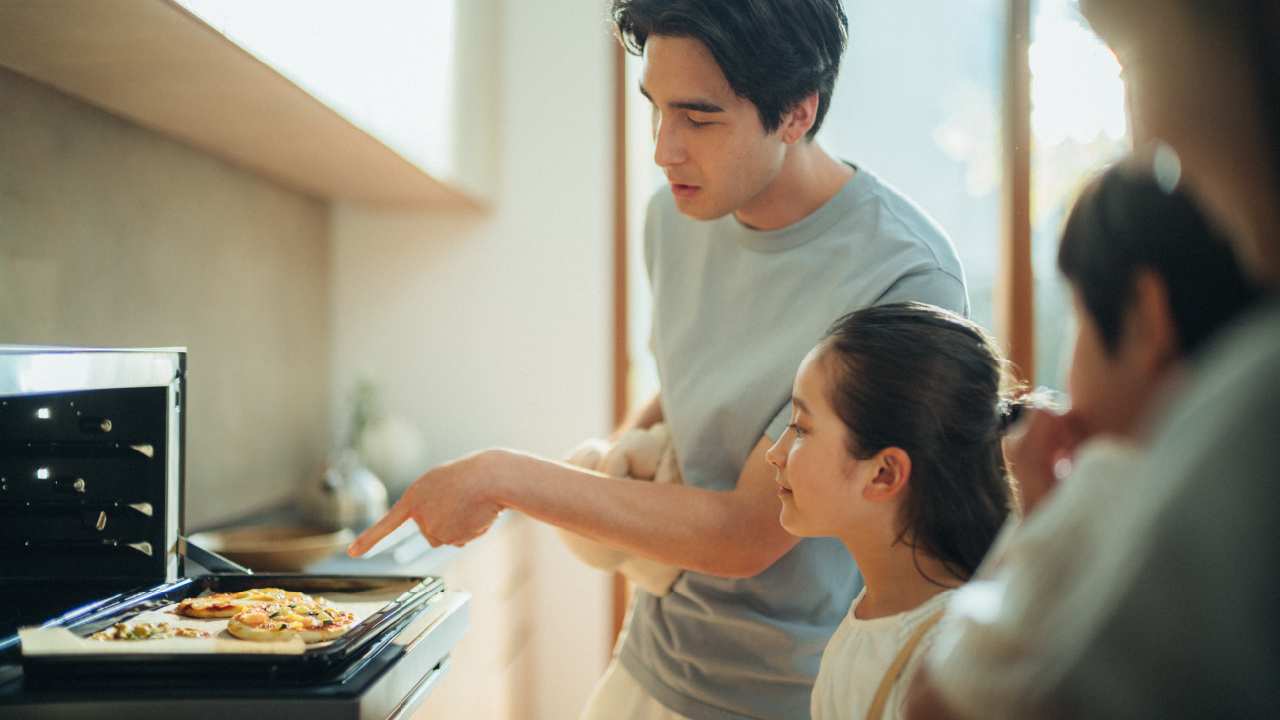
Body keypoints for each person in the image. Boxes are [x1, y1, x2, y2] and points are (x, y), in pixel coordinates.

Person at [349, 0, 969, 718]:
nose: (663, 150)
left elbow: (743, 534)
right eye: (656, 108)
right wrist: (618, 452)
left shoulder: (905, 275)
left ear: (798, 112)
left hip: (792, 693)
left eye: (699, 118)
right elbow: (687, 388)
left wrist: (500, 477)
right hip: (649, 659)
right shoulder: (673, 217)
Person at [901, 158, 1259, 720]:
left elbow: (930, 704)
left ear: (1147, 319)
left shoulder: (1113, 483)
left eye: (1075, 319)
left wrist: (1038, 519)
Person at [766, 303, 1018, 720]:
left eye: (801, 429)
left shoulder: (946, 661)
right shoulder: (870, 617)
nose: (775, 454)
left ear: (884, 473)